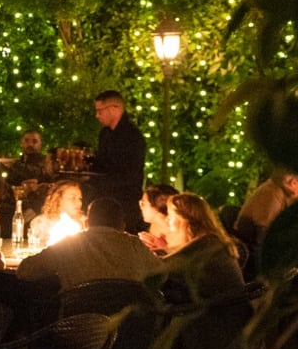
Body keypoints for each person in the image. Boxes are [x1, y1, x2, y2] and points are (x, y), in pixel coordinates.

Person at [159, 193, 249, 349]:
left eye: (172, 217)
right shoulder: (212, 241)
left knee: (154, 316)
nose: (168, 222)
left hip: (218, 328)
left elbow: (160, 270)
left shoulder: (203, 248)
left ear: (185, 222)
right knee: (166, 305)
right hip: (232, 319)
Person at [19, 198, 166, 291]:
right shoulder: (135, 245)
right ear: (122, 224)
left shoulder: (69, 245)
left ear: (87, 223)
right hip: (126, 329)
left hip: (79, 327)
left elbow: (24, 271)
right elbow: (161, 275)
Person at [92, 92, 147, 230]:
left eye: (100, 111)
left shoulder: (133, 137)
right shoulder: (104, 134)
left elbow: (129, 174)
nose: (97, 115)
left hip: (126, 202)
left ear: (114, 108)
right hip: (105, 198)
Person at [236, 170, 298, 238]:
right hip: (249, 242)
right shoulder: (273, 192)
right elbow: (263, 233)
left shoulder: (287, 197)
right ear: (294, 182)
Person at [138, 182, 178, 251]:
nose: (140, 206)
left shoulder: (178, 230)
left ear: (157, 204)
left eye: (143, 203)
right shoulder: (152, 229)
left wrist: (164, 248)